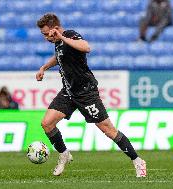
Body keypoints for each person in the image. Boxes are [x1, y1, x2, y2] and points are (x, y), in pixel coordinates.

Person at [36, 13, 147, 177]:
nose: (46, 37)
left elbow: (86, 47)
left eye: (46, 34)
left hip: (86, 92)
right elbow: (59, 57)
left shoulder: (69, 35)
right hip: (69, 91)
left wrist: (61, 37)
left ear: (56, 29)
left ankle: (138, 161)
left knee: (108, 130)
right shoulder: (58, 43)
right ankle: (64, 154)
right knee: (47, 123)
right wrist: (44, 67)